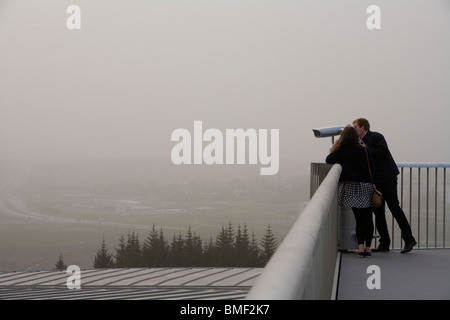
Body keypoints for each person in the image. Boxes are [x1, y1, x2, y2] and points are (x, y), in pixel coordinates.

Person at [352, 118, 417, 253]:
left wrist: (366, 149)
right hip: (375, 182)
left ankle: (409, 239)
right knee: (378, 212)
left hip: (387, 178)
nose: (354, 130)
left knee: (394, 208)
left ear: (363, 127)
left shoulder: (376, 137)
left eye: (355, 127)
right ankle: (384, 243)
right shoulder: (358, 143)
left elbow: (383, 152)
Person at [326, 126, 376, 257]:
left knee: (358, 219)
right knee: (368, 218)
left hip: (351, 187)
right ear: (356, 137)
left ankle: (360, 248)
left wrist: (337, 145)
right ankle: (368, 248)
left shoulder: (342, 151)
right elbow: (373, 167)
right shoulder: (364, 150)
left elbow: (328, 159)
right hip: (366, 186)